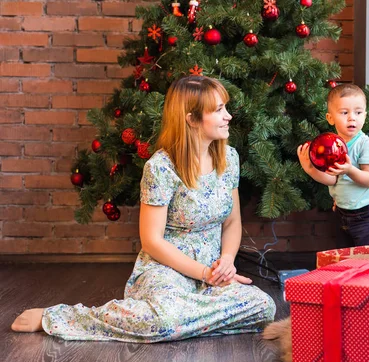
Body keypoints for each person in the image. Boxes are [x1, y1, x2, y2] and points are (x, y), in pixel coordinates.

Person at [11, 76, 276, 342]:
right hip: (167, 270)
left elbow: (231, 223)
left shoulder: (229, 158)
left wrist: (227, 262)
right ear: (191, 119)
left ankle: (181, 324)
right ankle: (61, 317)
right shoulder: (160, 167)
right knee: (163, 319)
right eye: (219, 110)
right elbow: (152, 241)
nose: (228, 116)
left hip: (214, 272)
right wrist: (204, 274)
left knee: (264, 307)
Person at [297, 84, 369, 246]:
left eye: (358, 113)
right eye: (344, 113)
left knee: (366, 259)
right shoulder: (332, 146)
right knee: (344, 258)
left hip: (367, 215)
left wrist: (349, 169)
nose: (352, 118)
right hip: (342, 213)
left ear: (365, 116)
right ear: (330, 118)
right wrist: (309, 168)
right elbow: (332, 180)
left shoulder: (367, 145)